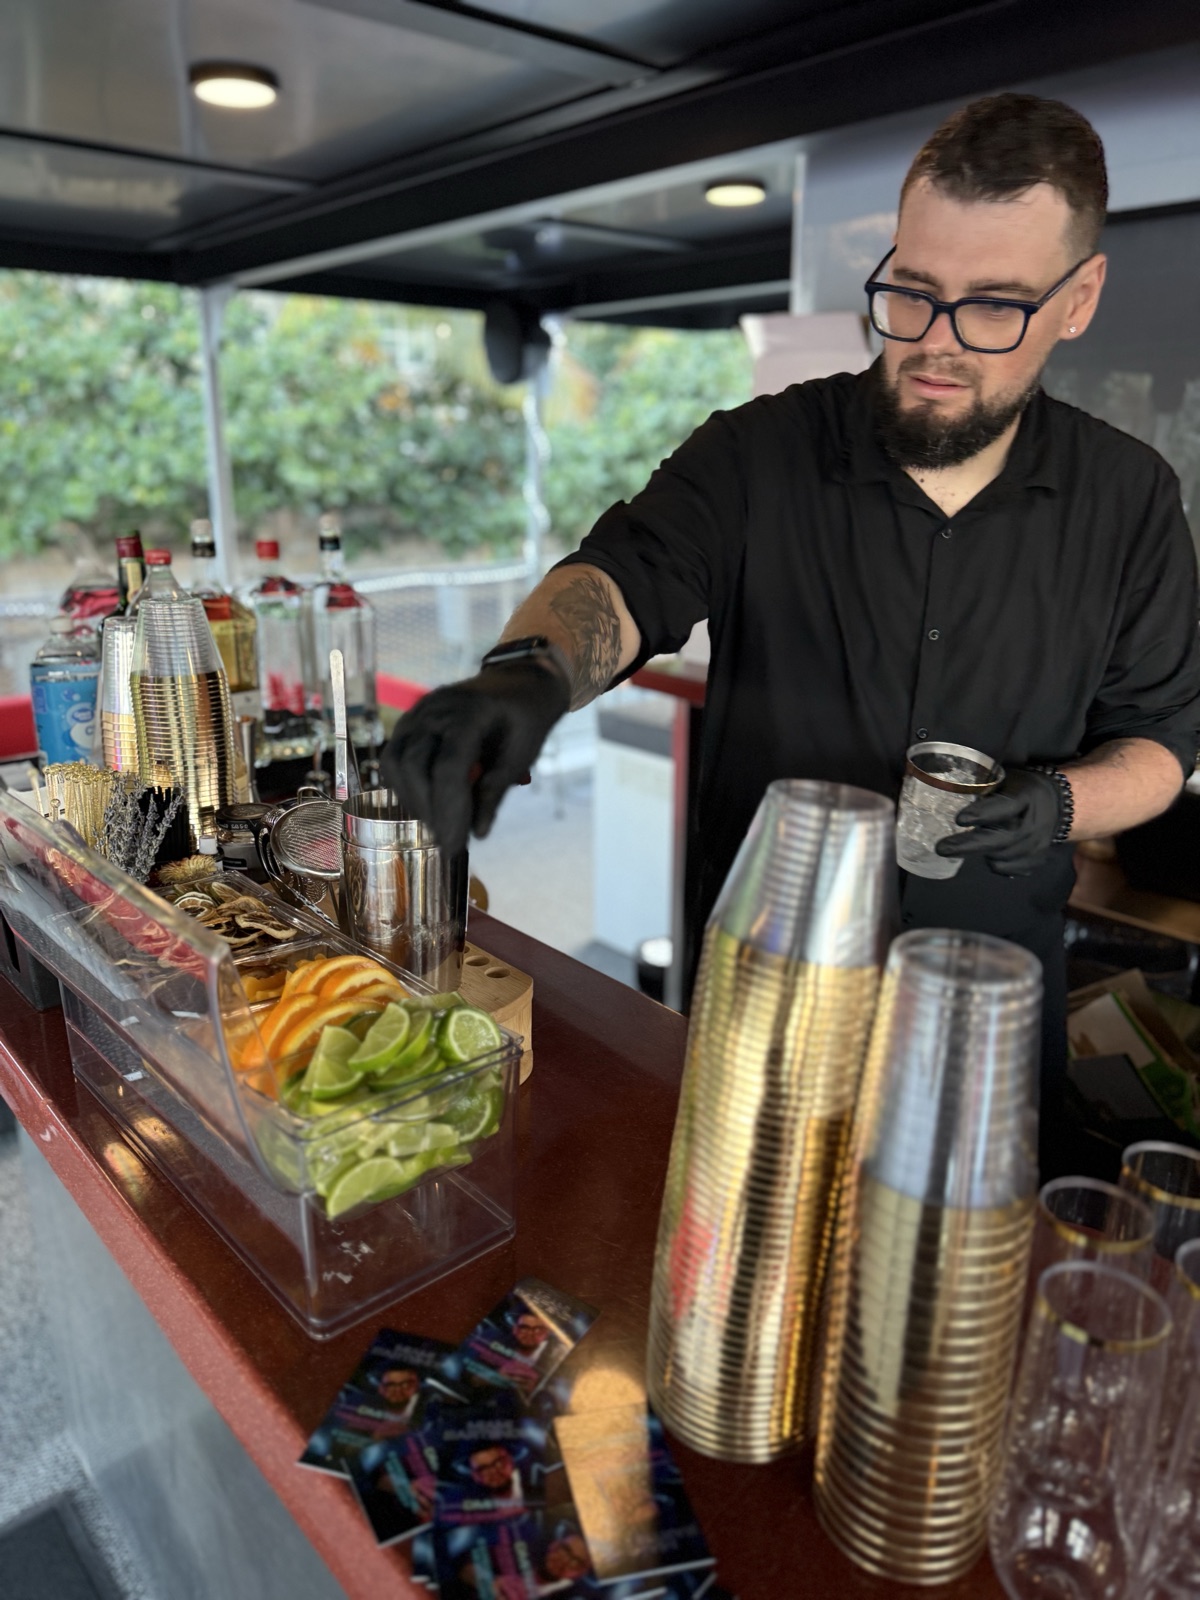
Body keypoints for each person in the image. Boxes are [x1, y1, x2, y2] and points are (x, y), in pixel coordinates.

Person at [383, 93, 1200, 1178]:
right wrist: (527, 675)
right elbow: (623, 577)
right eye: (912, 292)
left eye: (994, 307)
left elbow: (1160, 746)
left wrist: (1054, 804)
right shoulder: (759, 453)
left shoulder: (1130, 499)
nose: (937, 342)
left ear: (1078, 299)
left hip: (988, 1018)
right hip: (765, 1005)